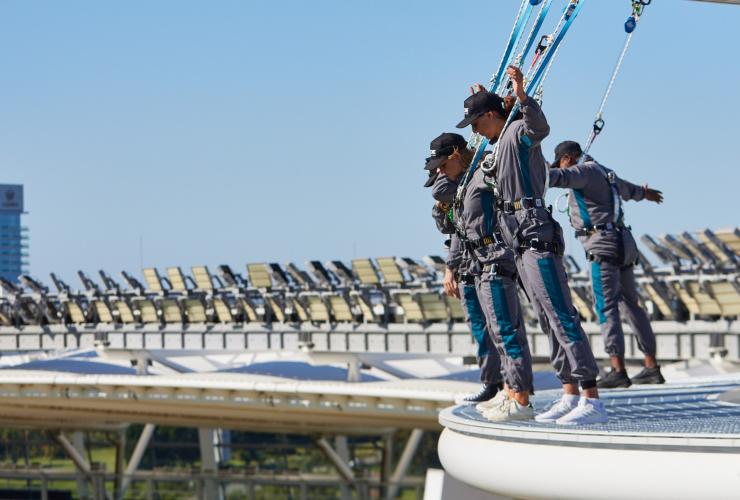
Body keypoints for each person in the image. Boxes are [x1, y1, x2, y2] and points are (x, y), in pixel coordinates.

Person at [455, 65, 607, 425]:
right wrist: (485, 96)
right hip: (518, 238)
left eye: (477, 123)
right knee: (546, 319)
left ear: (492, 116)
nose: (475, 132)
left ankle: (591, 397)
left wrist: (521, 97)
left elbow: (539, 128)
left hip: (535, 232)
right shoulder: (496, 143)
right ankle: (570, 391)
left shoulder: (517, 132)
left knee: (561, 315)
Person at [428, 132, 535, 421]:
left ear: (454, 155)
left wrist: (481, 142)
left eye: (442, 164)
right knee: (500, 332)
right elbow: (441, 193)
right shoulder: (463, 183)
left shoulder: (480, 176)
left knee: (506, 332)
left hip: (496, 259)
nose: (439, 172)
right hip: (480, 263)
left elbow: (512, 172)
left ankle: (520, 398)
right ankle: (511, 393)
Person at [549, 140, 665, 388]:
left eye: (560, 163)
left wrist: (523, 167)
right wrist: (646, 194)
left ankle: (617, 369)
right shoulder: (605, 171)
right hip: (624, 241)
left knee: (606, 307)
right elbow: (628, 190)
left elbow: (553, 178)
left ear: (567, 159)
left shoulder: (582, 172)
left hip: (602, 244)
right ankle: (651, 366)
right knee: (631, 305)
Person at [424, 137, 504, 405]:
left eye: (442, 165)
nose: (439, 173)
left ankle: (511, 385)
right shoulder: (459, 188)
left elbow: (443, 199)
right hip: (468, 261)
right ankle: (492, 382)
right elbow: (451, 227)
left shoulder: (476, 180)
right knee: (480, 327)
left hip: (485, 258)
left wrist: (450, 268)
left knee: (500, 327)